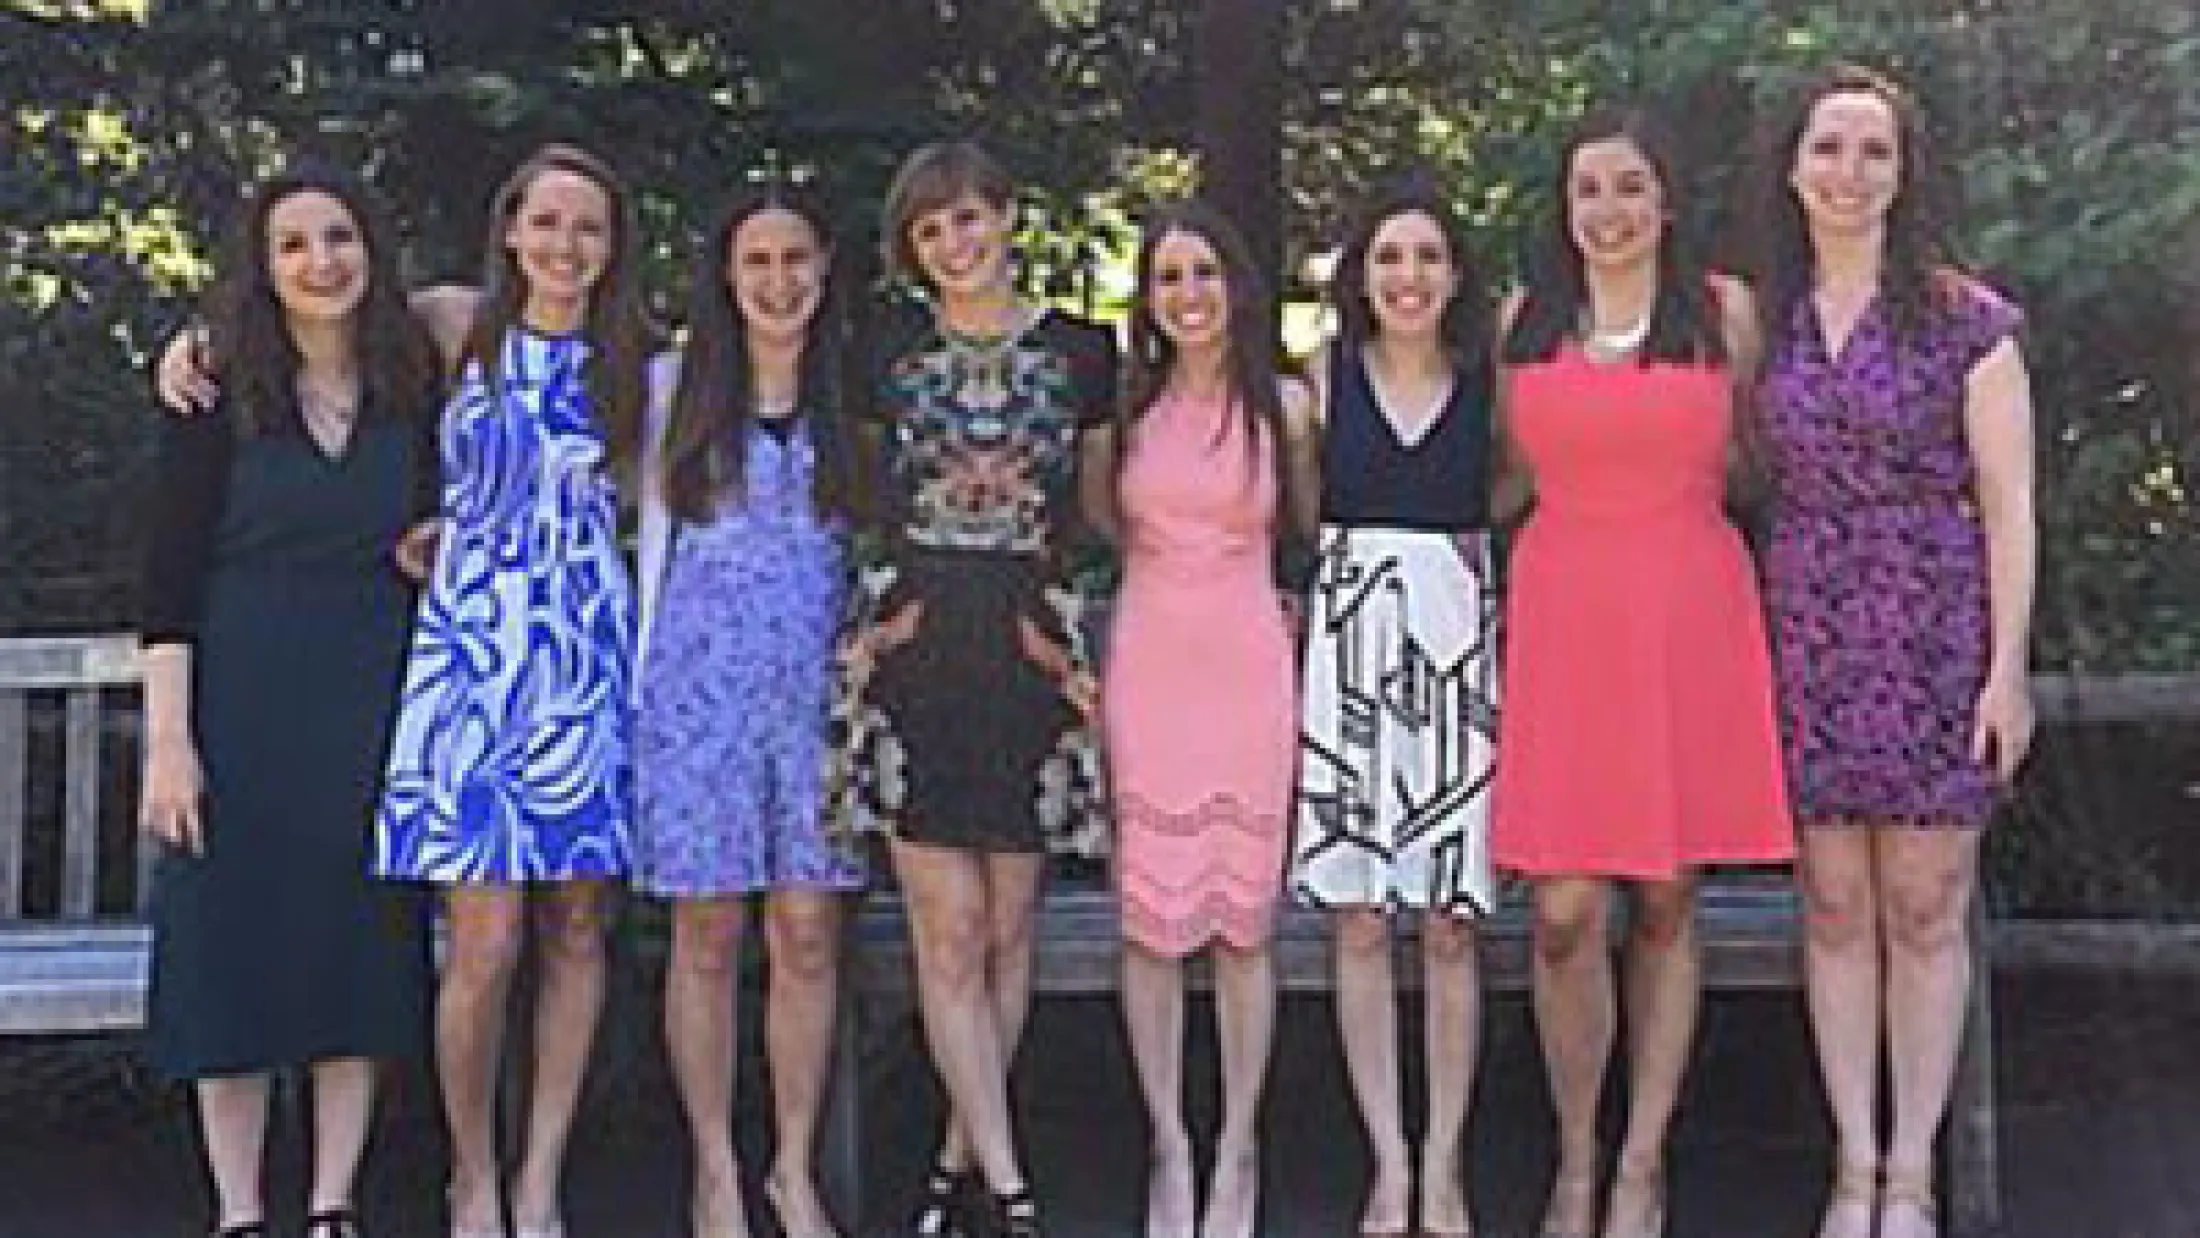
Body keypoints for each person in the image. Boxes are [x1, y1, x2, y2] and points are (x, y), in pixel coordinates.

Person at [1489, 108, 1794, 1238]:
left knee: (1667, 894)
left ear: (1666, 199)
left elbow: (1758, 460)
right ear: (1563, 209)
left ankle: (1642, 1164)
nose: (1607, 213)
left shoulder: (1725, 314)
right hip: (1565, 616)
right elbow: (1505, 480)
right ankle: (1575, 1154)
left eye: (1628, 188)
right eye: (1587, 192)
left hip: (1686, 613)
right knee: (1564, 908)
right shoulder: (1525, 321)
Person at [1746, 65, 2036, 1238]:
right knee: (1829, 902)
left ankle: (1912, 1171)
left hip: (1932, 622)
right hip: (1804, 619)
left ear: (1904, 173)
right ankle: (1852, 1164)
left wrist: (2004, 669)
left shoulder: (1969, 321)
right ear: (1792, 166)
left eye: (1873, 152)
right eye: (1829, 149)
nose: (1849, 173)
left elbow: (2010, 503)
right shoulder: (1756, 320)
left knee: (1922, 903)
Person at [136, 162, 439, 1238]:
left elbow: (451, 517)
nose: (323, 262)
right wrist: (171, 742)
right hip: (240, 699)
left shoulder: (417, 377)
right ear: (262, 268)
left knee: (354, 943)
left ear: (373, 249)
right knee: (231, 951)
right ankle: (238, 1209)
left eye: (341, 237)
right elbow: (166, 579)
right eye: (296, 243)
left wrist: (437, 543)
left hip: (372, 700)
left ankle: (331, 1203)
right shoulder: (215, 389)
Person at [828, 139, 1117, 1238]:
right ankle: (1014, 1190)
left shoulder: (1083, 353)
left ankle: (955, 1168)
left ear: (1007, 215)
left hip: (1029, 645)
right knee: (946, 932)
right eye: (930, 228)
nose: (956, 242)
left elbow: (1094, 510)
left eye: (969, 217)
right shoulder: (883, 348)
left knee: (1006, 931)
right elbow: (862, 491)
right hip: (915, 643)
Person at [372, 142, 650, 1238]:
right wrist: (194, 340)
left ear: (614, 242)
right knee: (483, 944)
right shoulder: (454, 322)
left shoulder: (643, 359)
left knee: (579, 926)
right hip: (471, 663)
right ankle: (470, 1172)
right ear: (510, 227)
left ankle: (539, 1173)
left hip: (584, 660)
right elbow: (305, 315)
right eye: (546, 222)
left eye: (587, 225)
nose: (565, 245)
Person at [630, 186, 868, 1238]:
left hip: (817, 700)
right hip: (696, 699)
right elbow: (467, 322)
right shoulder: (670, 388)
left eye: (796, 258)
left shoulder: (854, 396)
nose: (778, 282)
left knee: (808, 930)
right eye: (756, 261)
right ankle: (715, 1166)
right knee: (708, 931)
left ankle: (793, 1166)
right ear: (725, 276)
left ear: (824, 267)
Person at [1091, 201, 1319, 1238]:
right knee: (1151, 924)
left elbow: (1305, 527)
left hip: (1246, 664)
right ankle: (1166, 1146)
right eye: (1167, 277)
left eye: (1204, 274)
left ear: (1236, 286)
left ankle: (1238, 1142)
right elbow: (1100, 518)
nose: (1187, 295)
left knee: (1238, 927)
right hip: (1150, 661)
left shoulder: (1283, 402)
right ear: (1148, 297)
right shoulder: (1125, 410)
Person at [1287, 181, 1499, 1238]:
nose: (1406, 277)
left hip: (1458, 651)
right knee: (1361, 921)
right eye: (1386, 259)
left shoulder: (1486, 383)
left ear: (1454, 275)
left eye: (1426, 257)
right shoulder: (1320, 382)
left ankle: (1448, 1163)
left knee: (1451, 924)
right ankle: (1387, 1164)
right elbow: (1295, 509)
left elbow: (1508, 492)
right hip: (1350, 652)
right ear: (1359, 279)